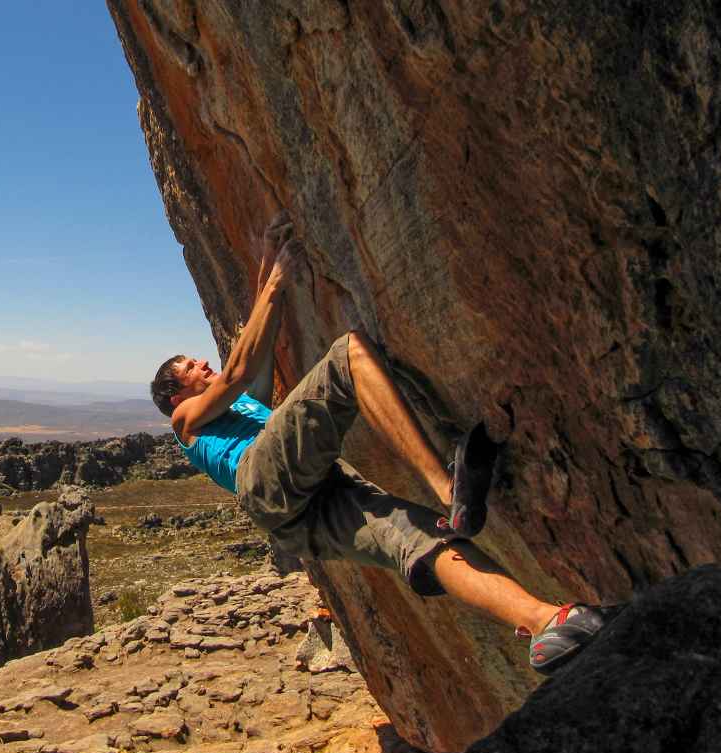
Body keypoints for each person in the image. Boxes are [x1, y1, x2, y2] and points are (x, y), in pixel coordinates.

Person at [149, 213, 604, 675]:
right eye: (190, 366)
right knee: (349, 355)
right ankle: (451, 491)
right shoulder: (186, 421)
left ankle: (545, 621)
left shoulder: (242, 408)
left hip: (297, 512)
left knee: (418, 537)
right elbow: (238, 369)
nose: (203, 362)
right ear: (175, 394)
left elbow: (255, 344)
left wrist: (268, 260)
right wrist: (277, 281)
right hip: (264, 481)